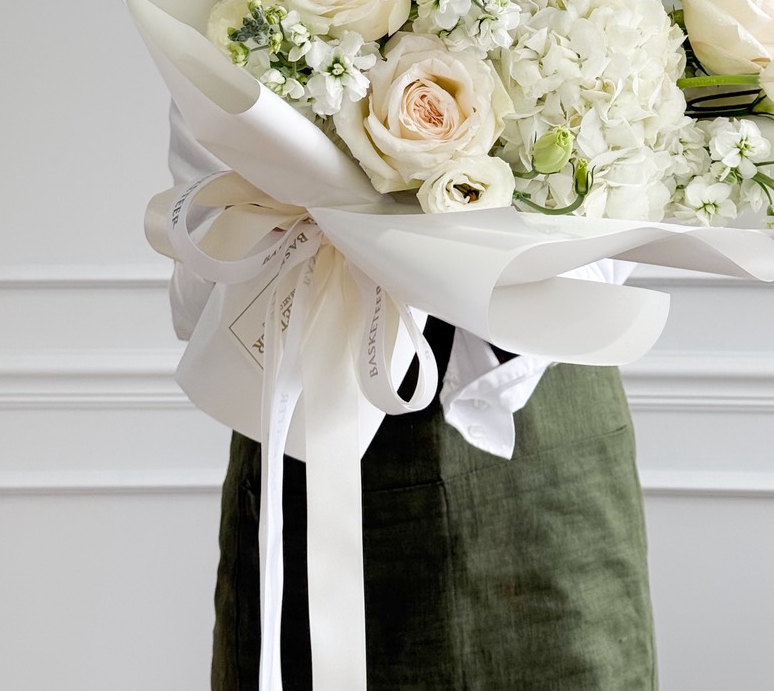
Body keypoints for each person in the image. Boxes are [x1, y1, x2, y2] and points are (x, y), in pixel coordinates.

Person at [169, 109, 659, 691]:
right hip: (321, 405)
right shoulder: (232, 35)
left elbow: (638, 184)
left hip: (555, 435)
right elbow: (204, 268)